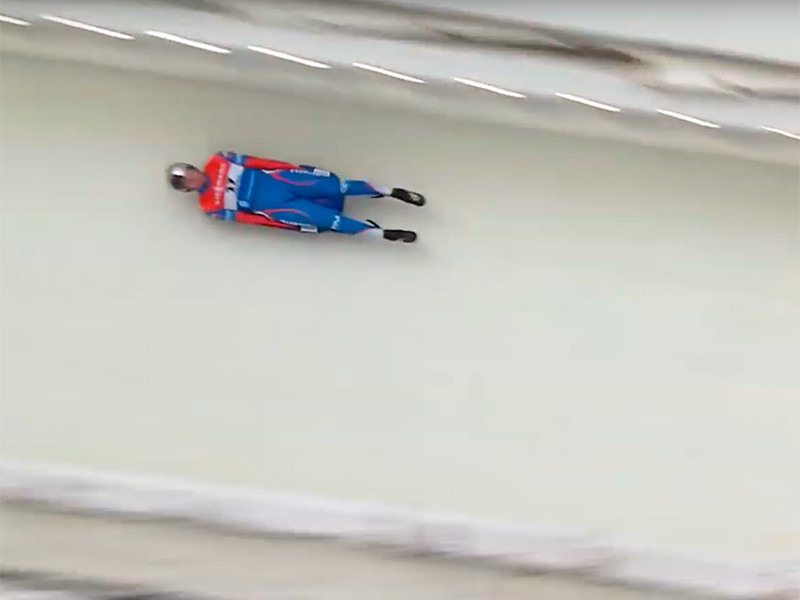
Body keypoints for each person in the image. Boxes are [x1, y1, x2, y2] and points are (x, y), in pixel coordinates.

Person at [166, 151, 425, 243]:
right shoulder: (210, 206)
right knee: (332, 221)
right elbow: (250, 219)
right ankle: (383, 234)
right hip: (277, 207)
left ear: (193, 168)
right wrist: (283, 225)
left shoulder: (220, 160)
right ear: (188, 189)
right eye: (186, 181)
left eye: (189, 173)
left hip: (283, 180)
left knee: (338, 186)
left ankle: (390, 191)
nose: (191, 178)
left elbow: (259, 162)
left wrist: (294, 169)